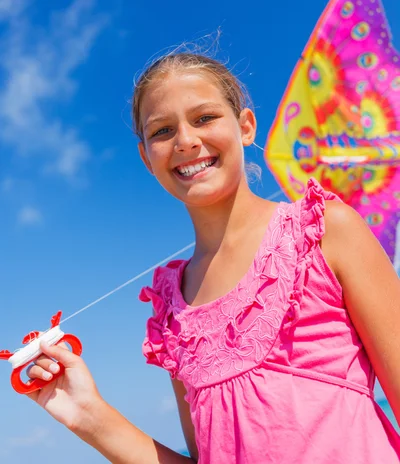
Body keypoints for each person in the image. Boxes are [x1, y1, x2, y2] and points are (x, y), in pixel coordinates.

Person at [28, 52, 400, 463]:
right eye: (163, 130)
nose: (185, 140)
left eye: (204, 118)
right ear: (146, 158)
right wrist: (88, 414)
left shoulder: (326, 231)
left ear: (245, 127)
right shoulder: (171, 311)